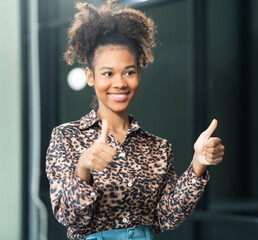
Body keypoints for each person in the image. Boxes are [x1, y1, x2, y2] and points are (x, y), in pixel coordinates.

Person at [45, 1, 225, 239]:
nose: (119, 82)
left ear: (139, 72)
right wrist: (83, 168)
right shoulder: (66, 138)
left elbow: (167, 217)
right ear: (90, 76)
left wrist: (198, 164)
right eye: (108, 73)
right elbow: (70, 217)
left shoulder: (158, 148)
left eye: (129, 72)